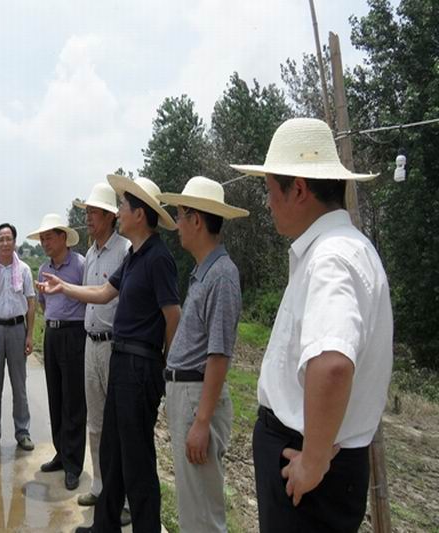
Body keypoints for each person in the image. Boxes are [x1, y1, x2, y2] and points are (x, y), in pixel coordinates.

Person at [230, 117, 393, 532]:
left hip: (307, 472)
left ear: (299, 189)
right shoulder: (346, 249)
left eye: (271, 190)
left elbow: (333, 364)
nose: (268, 204)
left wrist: (314, 461)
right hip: (318, 463)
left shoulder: (331, 259)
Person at [39, 175, 181, 533]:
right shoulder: (135, 256)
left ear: (140, 214)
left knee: (137, 458)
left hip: (140, 364)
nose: (119, 212)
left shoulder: (158, 258)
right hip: (122, 360)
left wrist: (163, 365)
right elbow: (103, 293)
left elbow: (173, 316)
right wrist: (62, 287)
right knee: (112, 451)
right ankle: (105, 525)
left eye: (124, 206)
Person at [157, 177, 248, 532]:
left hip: (198, 399)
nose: (177, 225)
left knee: (203, 514)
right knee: (192, 505)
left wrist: (202, 421)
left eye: (181, 216)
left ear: (196, 220)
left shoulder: (222, 276)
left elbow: (219, 354)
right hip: (188, 396)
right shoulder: (203, 272)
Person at [72, 183, 131, 528]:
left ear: (110, 216)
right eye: (87, 212)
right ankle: (99, 485)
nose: (88, 218)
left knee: (118, 425)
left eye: (93, 212)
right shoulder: (91, 254)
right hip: (90, 343)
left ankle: (122, 498)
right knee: (95, 423)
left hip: (114, 346)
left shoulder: (125, 250)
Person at [28, 213, 87, 491]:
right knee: (56, 396)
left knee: (74, 399)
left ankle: (74, 464)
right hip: (52, 334)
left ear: (64, 237)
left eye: (49, 237)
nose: (44, 243)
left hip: (75, 334)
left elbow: (92, 297)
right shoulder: (43, 269)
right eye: (42, 239)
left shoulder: (81, 265)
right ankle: (61, 453)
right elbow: (43, 303)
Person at [0, 222, 37, 452]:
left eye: (8, 238)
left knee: (19, 385)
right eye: (0, 239)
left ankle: (23, 432)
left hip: (17, 330)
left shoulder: (24, 270)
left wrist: (30, 335)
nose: (4, 243)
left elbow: (31, 303)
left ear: (15, 242)